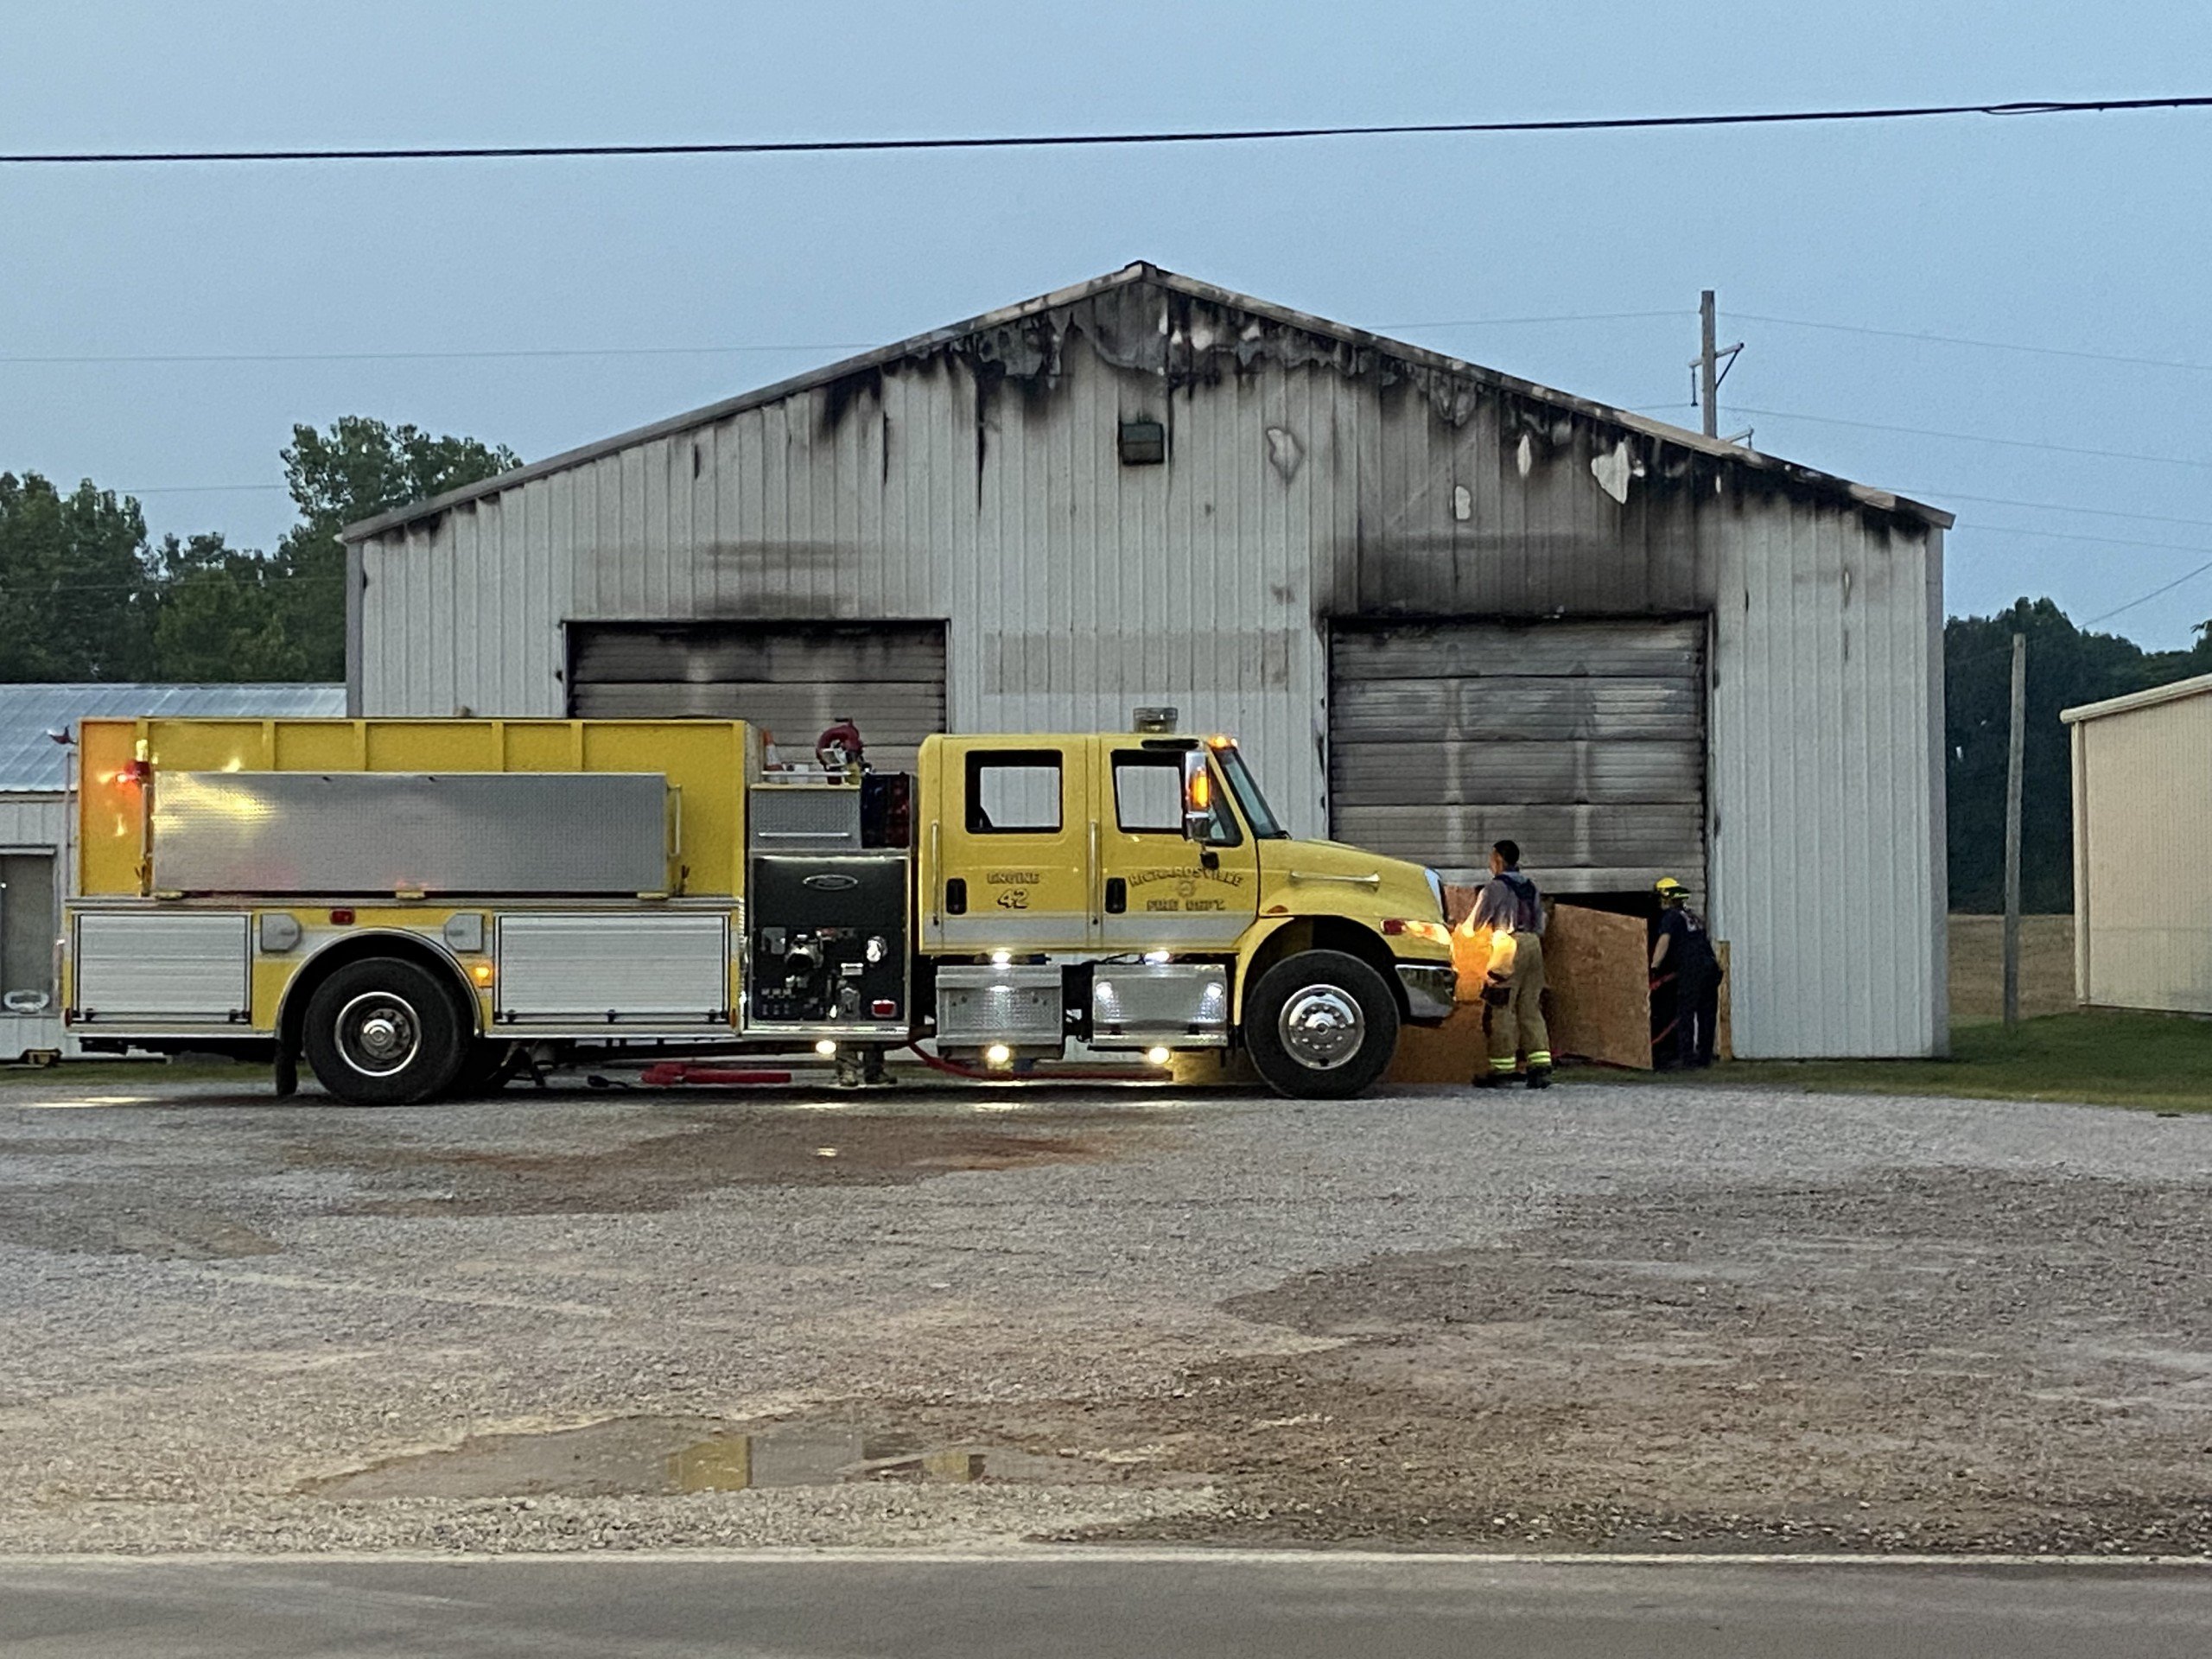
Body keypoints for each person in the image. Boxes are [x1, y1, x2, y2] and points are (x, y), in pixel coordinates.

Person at [1466, 839, 1551, 1089]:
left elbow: (1473, 926)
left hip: (1508, 945)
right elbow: (1541, 924)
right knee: (1530, 1007)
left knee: (1501, 1007)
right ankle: (1541, 1067)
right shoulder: (1531, 887)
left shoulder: (1494, 888)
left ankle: (1502, 1069)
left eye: (1491, 858)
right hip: (1534, 946)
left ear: (1498, 859)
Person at [1650, 876, 1719, 1070]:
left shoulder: (1671, 917)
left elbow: (1664, 941)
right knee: (1707, 1014)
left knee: (1685, 1013)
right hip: (1710, 967)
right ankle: (1704, 1059)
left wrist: (1654, 967)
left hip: (1692, 970)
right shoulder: (1691, 916)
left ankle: (1686, 1059)